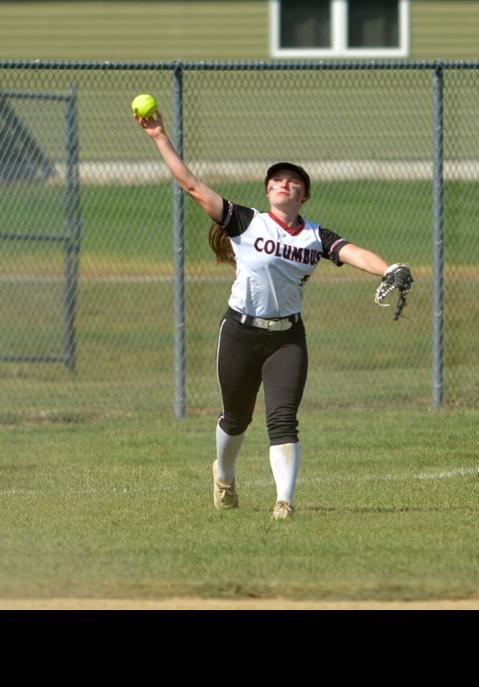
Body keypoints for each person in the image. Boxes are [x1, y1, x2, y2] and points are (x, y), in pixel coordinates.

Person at [136, 107, 408, 520]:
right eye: (277, 180)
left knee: (283, 420)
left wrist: (388, 269)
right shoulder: (247, 222)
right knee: (236, 419)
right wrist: (159, 136)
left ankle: (284, 501)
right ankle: (224, 474)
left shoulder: (315, 236)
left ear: (303, 196)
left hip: (286, 339)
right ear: (267, 190)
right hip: (240, 333)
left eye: (293, 181)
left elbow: (353, 253)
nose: (284, 184)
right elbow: (191, 185)